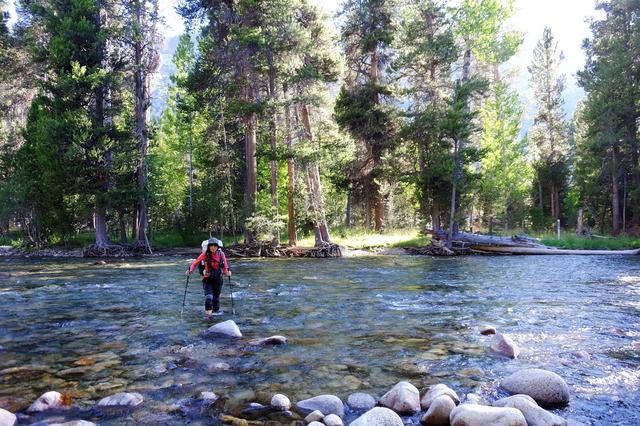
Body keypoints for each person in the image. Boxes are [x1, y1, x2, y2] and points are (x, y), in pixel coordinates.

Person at [186, 238, 231, 316]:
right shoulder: (205, 254)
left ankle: (215, 317)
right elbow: (195, 263)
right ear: (209, 246)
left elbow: (225, 265)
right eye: (211, 246)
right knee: (208, 298)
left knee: (216, 299)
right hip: (207, 279)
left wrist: (227, 272)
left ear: (217, 247)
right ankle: (208, 318)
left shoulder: (221, 254)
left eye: (215, 246)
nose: (213, 247)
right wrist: (190, 270)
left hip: (218, 279)